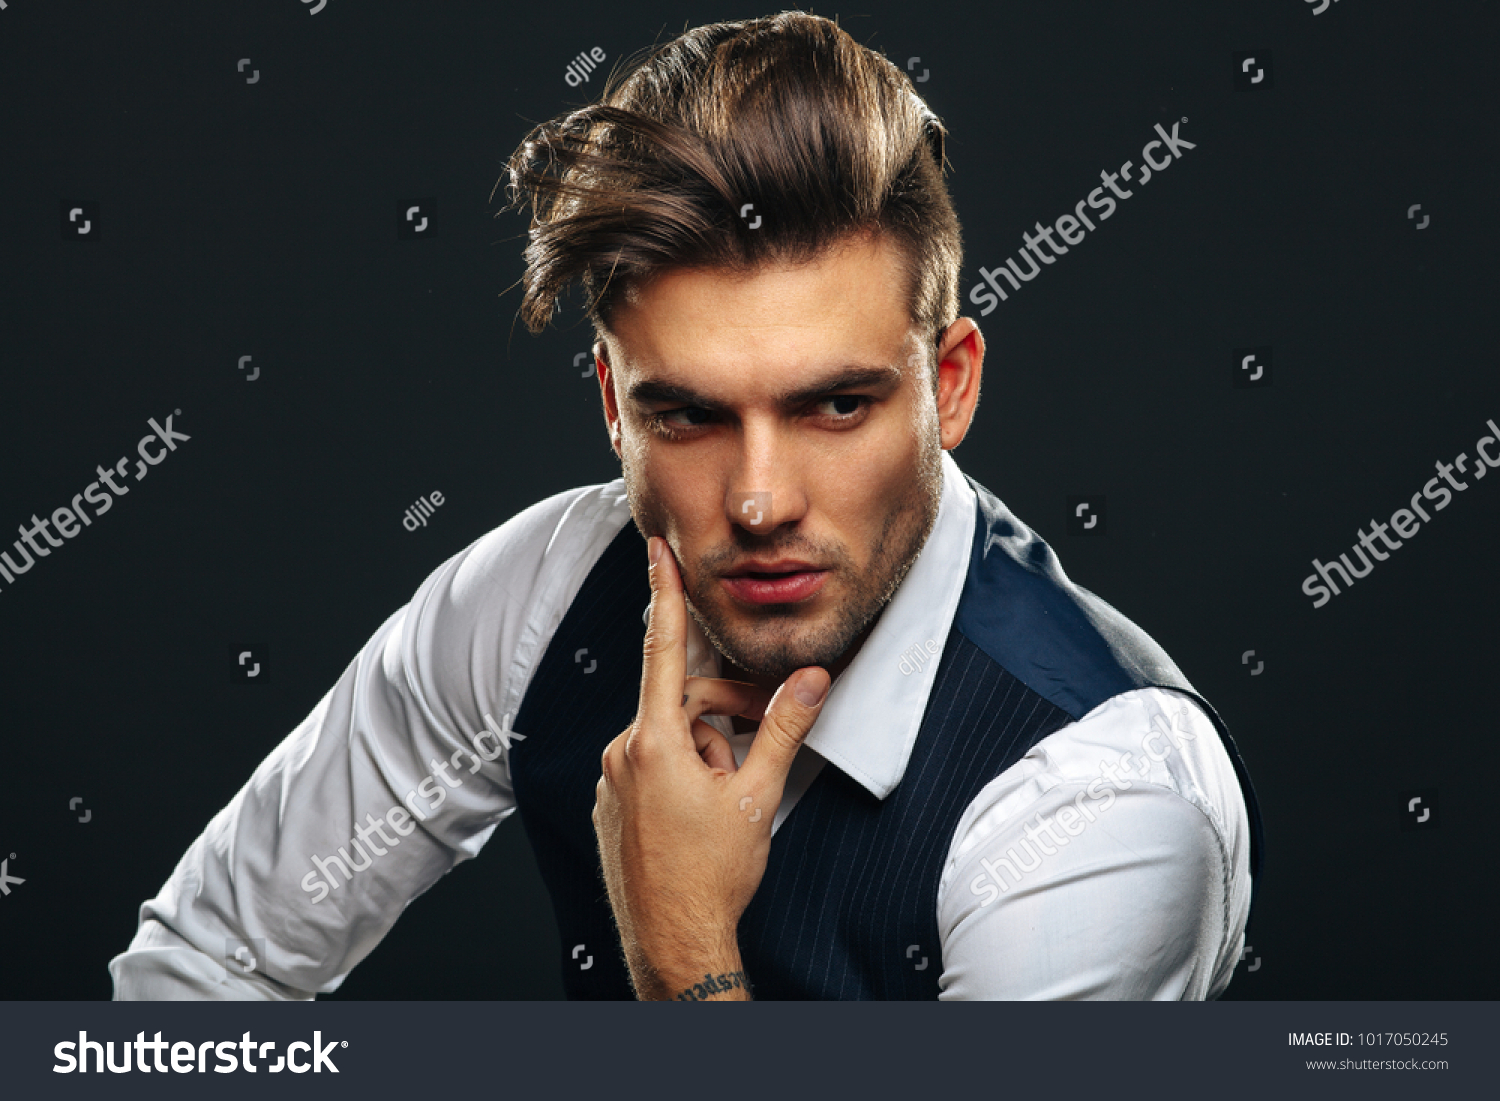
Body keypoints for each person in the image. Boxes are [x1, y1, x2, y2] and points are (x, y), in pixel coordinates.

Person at [111, 10, 1261, 1002]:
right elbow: (206, 970)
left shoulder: (1098, 804)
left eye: (837, 406)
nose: (759, 501)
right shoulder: (540, 604)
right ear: (614, 406)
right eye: (689, 416)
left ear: (948, 387)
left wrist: (684, 957)